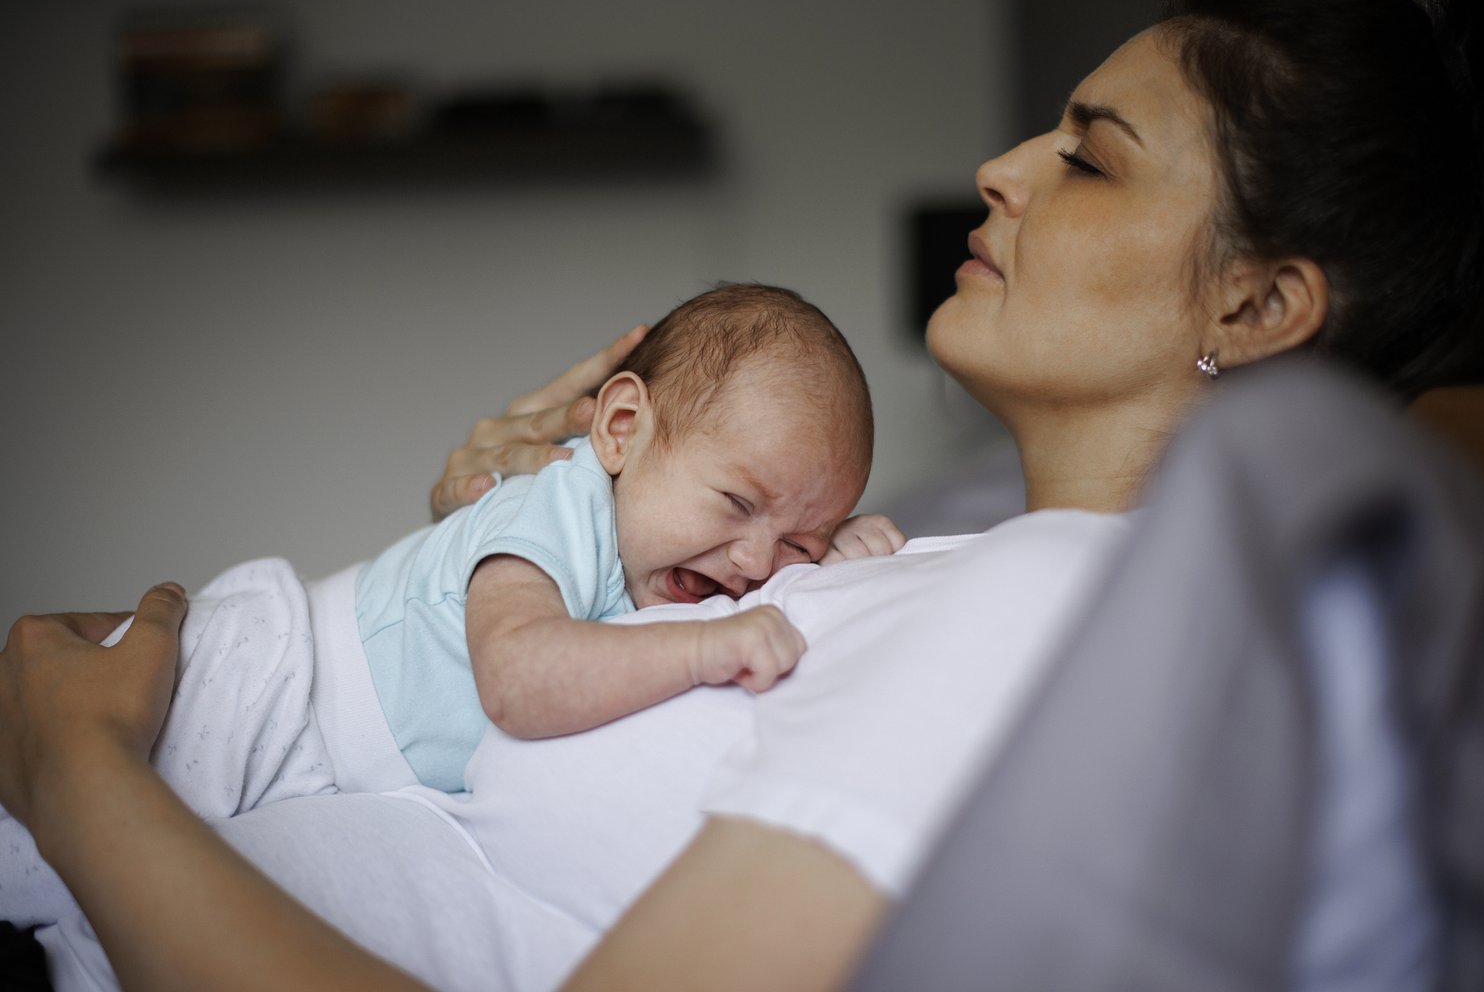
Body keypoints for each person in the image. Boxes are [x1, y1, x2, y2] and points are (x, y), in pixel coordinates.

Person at [1, 0, 1484, 989]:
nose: (997, 167)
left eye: (1089, 162)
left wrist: (81, 778)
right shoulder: (955, 560)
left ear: (1253, 308)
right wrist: (514, 539)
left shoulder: (1061, 607)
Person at [0, 282, 906, 927]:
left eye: (799, 540)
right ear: (623, 430)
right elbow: (517, 676)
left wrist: (841, 556)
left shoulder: (694, 557)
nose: (757, 563)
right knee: (32, 849)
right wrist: (708, 650)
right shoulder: (558, 504)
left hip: (326, 757)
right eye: (737, 504)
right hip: (265, 695)